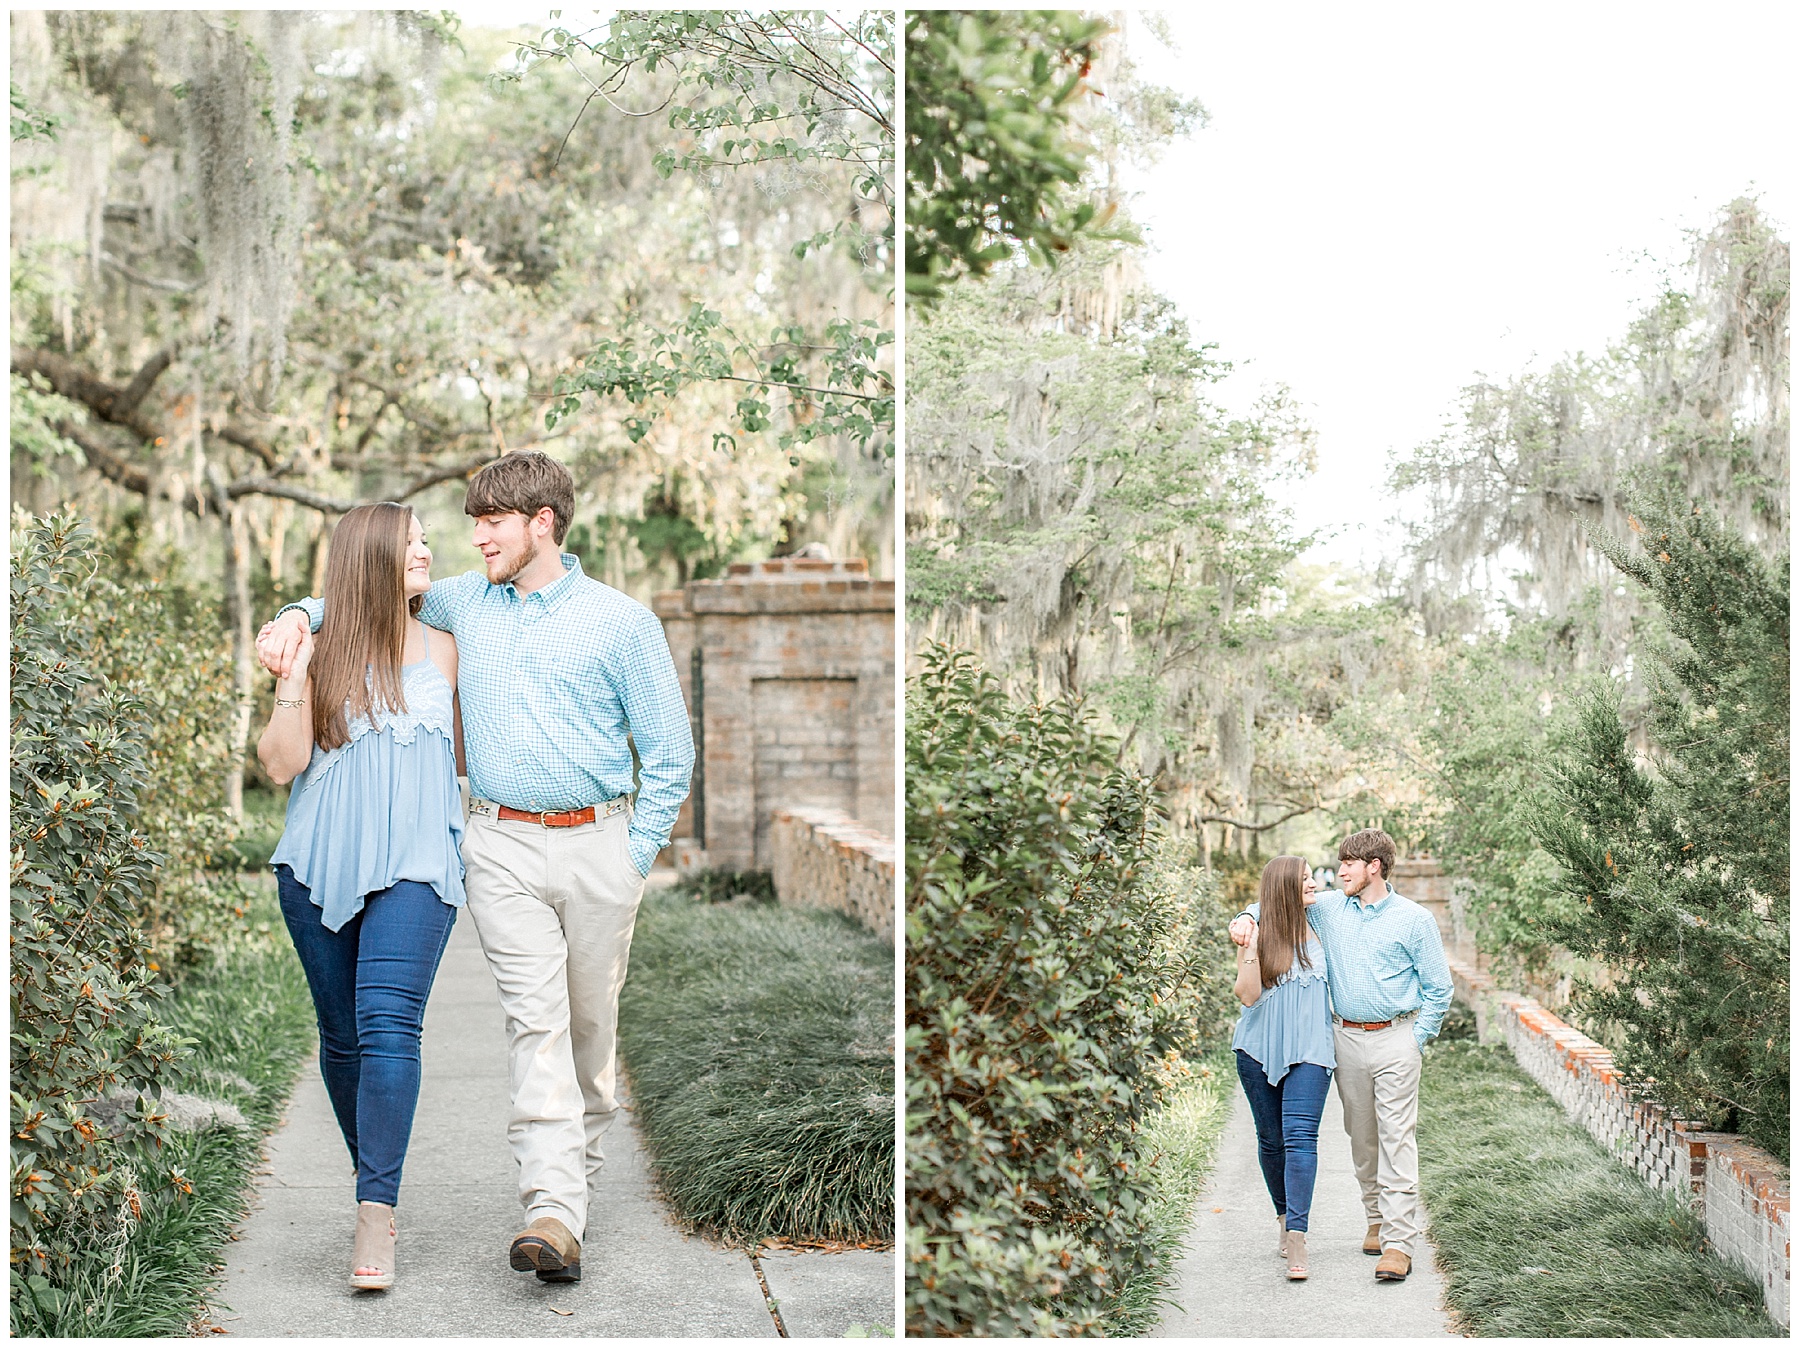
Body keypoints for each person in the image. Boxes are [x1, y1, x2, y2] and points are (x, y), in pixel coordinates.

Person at [256, 451, 694, 1285]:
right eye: (471, 522)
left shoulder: (622, 622)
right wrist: (293, 613)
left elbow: (670, 757)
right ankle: (552, 1210)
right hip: (498, 845)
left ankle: (573, 1178)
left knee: (589, 1036)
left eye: (493, 521)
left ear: (543, 523)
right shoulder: (466, 602)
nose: (475, 537)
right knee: (535, 1028)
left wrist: (634, 857)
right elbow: (359, 588)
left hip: (601, 843)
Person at [256, 502, 466, 1291]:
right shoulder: (320, 645)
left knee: (387, 1027)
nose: (426, 548)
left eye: (424, 538)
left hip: (417, 861)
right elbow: (281, 765)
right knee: (342, 1039)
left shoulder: (449, 645)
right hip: (317, 864)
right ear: (371, 552)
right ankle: (373, 1173)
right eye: (411, 540)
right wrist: (294, 675)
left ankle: (374, 1213)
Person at [1229, 829, 1452, 1283]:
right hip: (1344, 1038)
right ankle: (1375, 1217)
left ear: (1374, 866)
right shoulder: (1331, 908)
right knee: (1362, 1136)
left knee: (1396, 1136)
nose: (1339, 871)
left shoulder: (1414, 919)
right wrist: (1244, 918)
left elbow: (1439, 988)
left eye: (1348, 863)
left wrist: (1416, 1038)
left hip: (1396, 1037)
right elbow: (1277, 900)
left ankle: (1398, 1242)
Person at [1232, 855, 1334, 1281]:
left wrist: (1243, 914)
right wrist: (1250, 944)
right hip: (1257, 1049)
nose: (1314, 883)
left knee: (1300, 1137)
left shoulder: (1325, 922)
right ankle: (1281, 1215)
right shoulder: (1258, 929)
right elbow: (1247, 996)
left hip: (1312, 1049)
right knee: (1271, 1139)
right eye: (1306, 878)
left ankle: (1297, 1235)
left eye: (1313, 877)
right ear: (1284, 887)